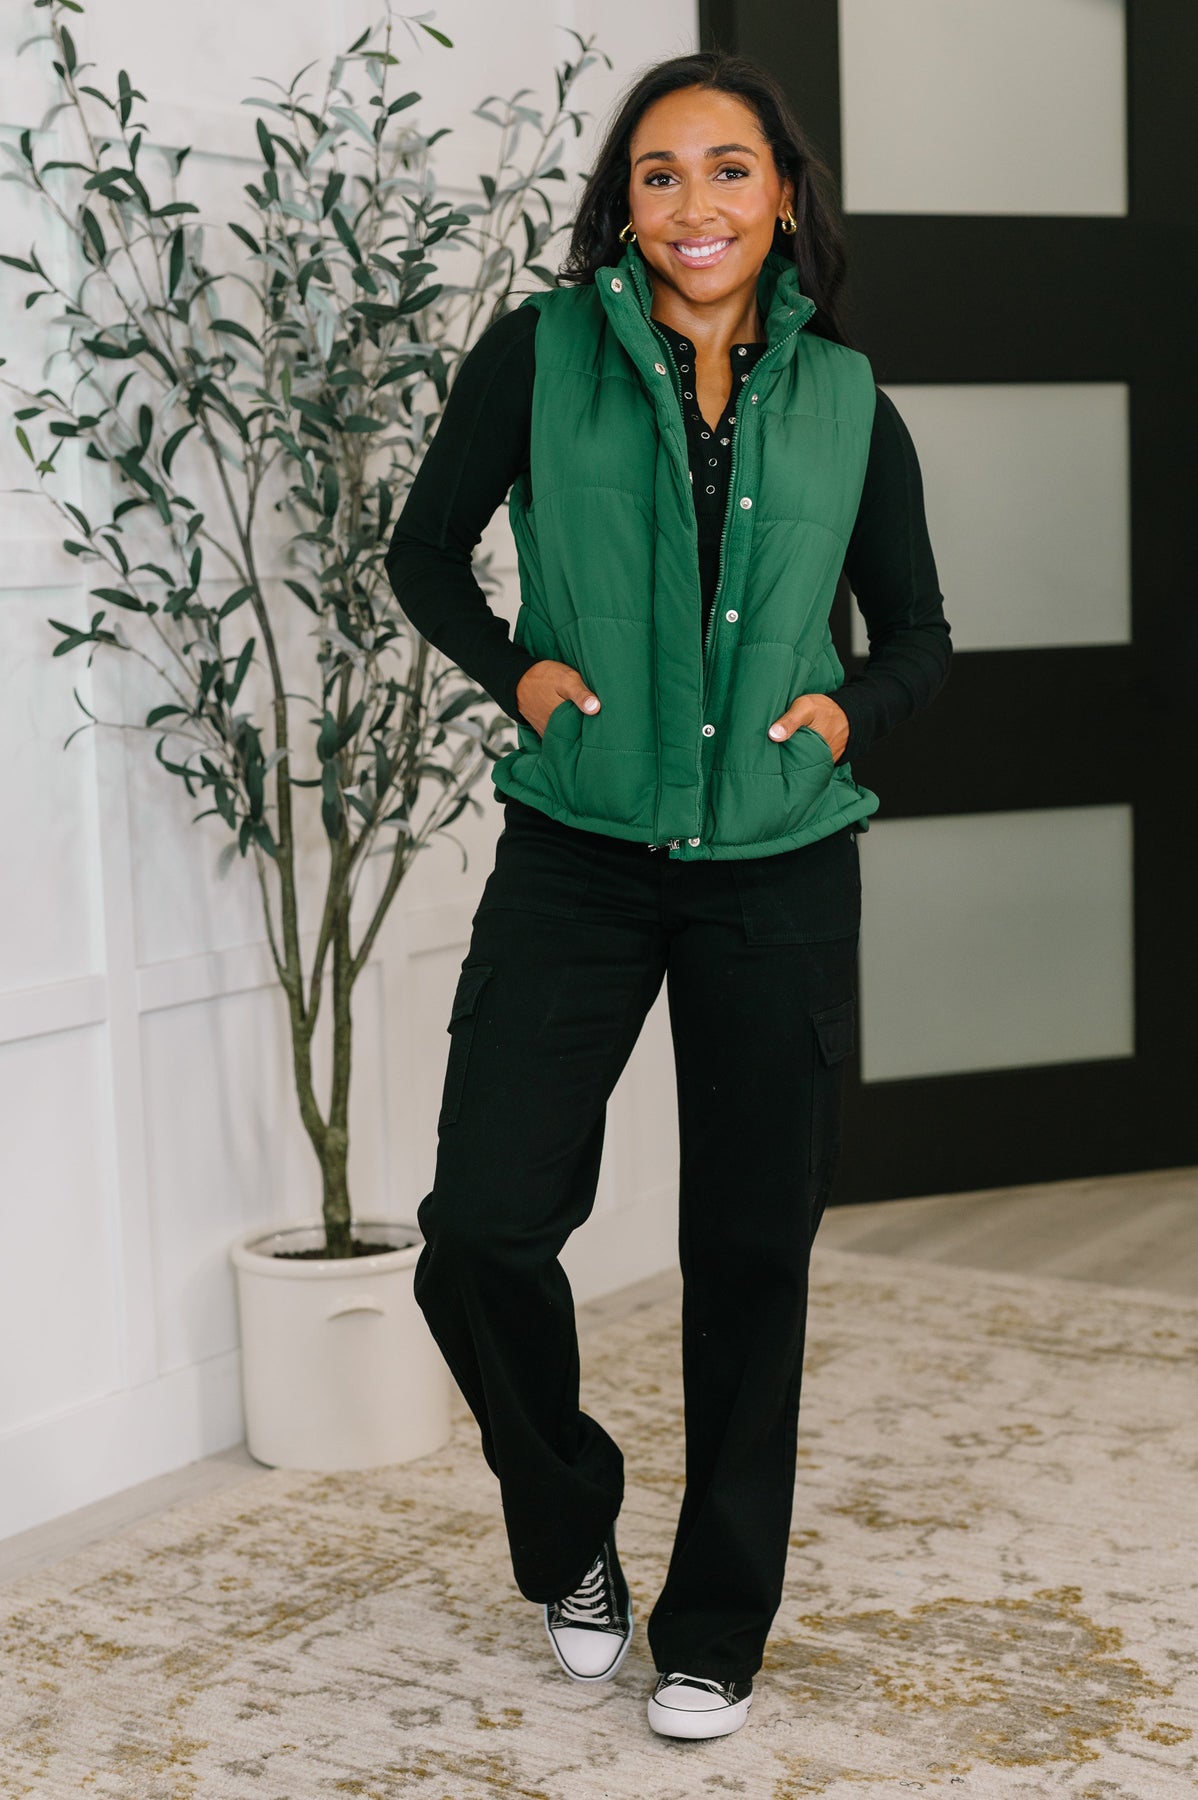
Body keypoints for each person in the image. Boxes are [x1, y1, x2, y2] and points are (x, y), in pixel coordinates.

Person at [385, 49, 951, 1742]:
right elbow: (422, 551)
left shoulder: (846, 397)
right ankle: (569, 1530)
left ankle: (714, 1625)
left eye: (726, 169)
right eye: (657, 173)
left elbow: (918, 634)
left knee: (749, 1254)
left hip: (778, 875)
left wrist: (845, 713)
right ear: (621, 206)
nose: (692, 204)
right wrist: (520, 674)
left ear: (781, 195)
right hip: (576, 854)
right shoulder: (540, 354)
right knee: (481, 1230)